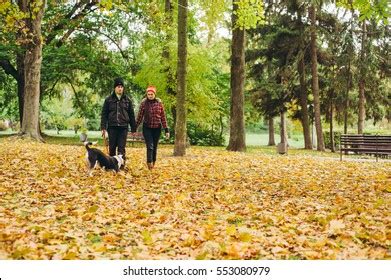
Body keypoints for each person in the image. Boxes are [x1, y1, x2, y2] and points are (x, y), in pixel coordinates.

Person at [101, 77, 136, 169]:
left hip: (123, 127)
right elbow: (104, 114)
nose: (120, 88)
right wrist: (103, 127)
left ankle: (121, 166)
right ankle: (111, 166)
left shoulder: (127, 100)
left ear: (123, 88)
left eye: (121, 87)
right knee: (112, 148)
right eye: (118, 87)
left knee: (121, 148)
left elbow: (131, 115)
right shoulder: (108, 100)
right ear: (114, 88)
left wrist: (133, 128)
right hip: (112, 127)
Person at [135, 85, 169, 170]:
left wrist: (166, 130)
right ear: (146, 94)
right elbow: (139, 116)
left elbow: (163, 117)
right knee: (150, 146)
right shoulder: (144, 103)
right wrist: (134, 127)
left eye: (151, 94)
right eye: (148, 94)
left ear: (154, 94)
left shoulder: (159, 103)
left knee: (155, 147)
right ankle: (149, 162)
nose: (150, 96)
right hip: (147, 127)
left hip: (157, 128)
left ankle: (153, 162)